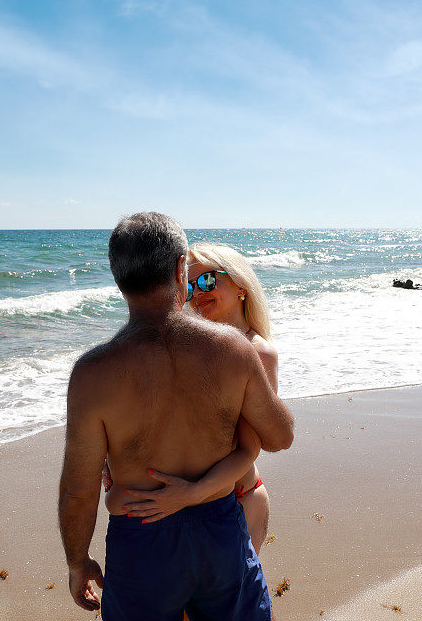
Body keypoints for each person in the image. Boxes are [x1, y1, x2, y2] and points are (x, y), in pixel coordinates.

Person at [58, 212, 294, 620]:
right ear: (179, 268)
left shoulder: (92, 373)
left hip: (141, 534)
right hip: (218, 529)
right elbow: (280, 436)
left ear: (118, 278)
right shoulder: (233, 350)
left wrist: (78, 562)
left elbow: (80, 491)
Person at [111, 243, 278, 553]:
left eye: (208, 280)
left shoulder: (258, 353)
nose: (197, 292)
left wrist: (192, 492)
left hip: (236, 502)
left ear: (240, 285)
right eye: (189, 286)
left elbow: (248, 448)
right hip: (185, 504)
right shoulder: (187, 347)